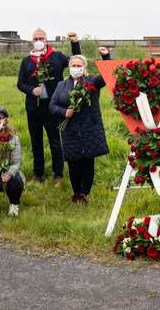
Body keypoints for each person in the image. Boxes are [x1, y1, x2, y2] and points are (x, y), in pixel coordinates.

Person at [17, 29, 81, 186]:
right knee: (36, 142)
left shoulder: (56, 56)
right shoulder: (26, 61)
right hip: (33, 107)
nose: (38, 40)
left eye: (41, 38)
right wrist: (32, 90)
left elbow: (76, 61)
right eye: (35, 38)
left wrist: (75, 43)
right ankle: (38, 173)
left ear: (46, 41)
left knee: (55, 141)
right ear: (32, 41)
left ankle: (58, 175)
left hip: (52, 106)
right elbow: (20, 83)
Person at [49, 48, 111, 204]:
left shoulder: (91, 82)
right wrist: (64, 112)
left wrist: (106, 56)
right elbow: (52, 105)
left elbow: (107, 75)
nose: (76, 68)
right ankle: (75, 193)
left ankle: (85, 194)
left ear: (84, 67)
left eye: (79, 65)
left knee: (87, 162)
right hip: (70, 130)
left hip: (90, 129)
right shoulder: (61, 85)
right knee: (73, 163)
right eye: (73, 65)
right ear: (70, 67)